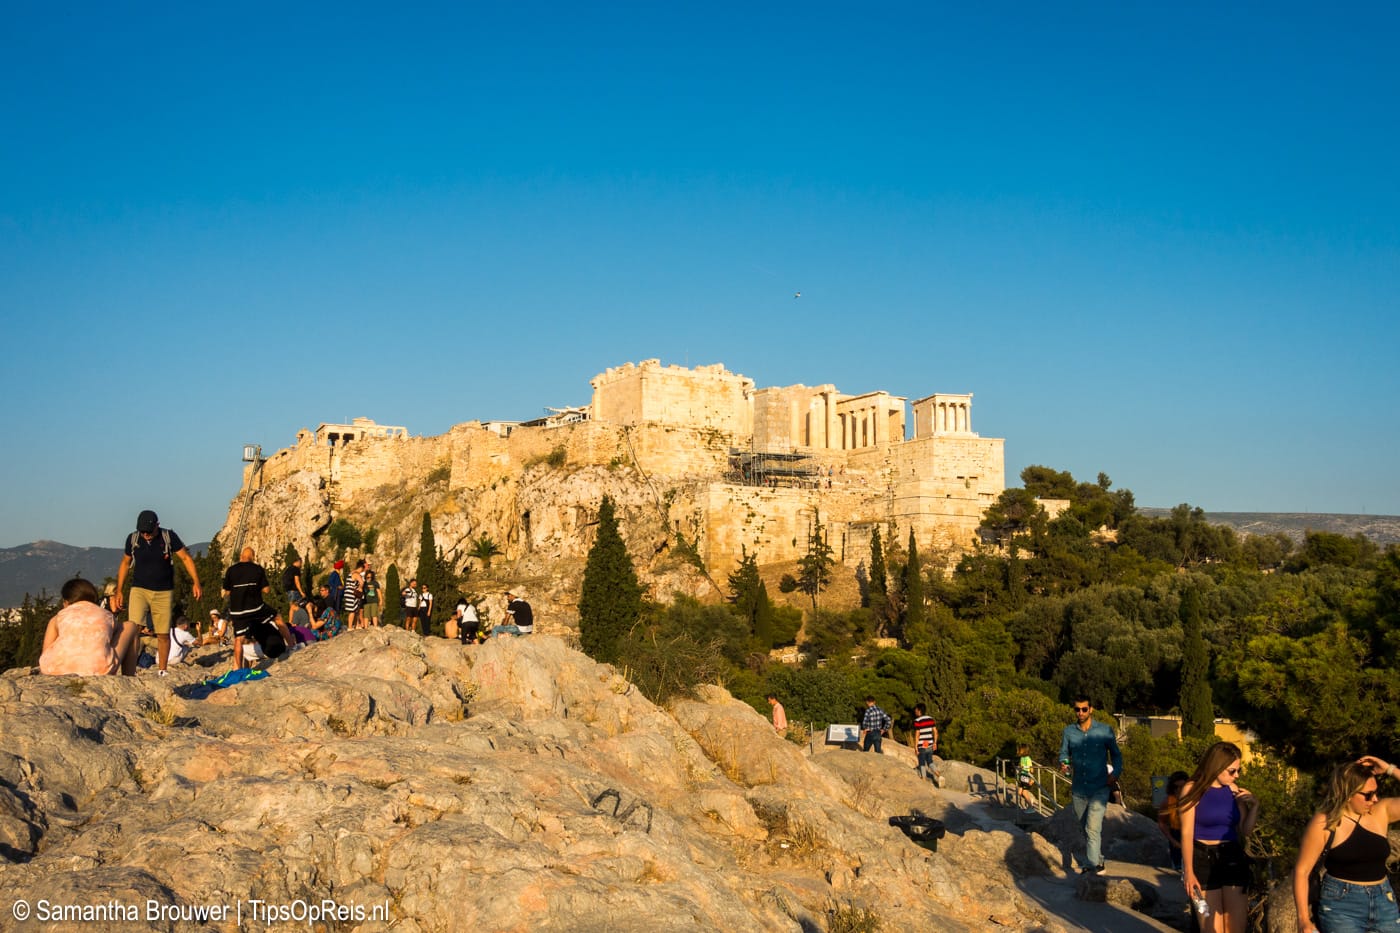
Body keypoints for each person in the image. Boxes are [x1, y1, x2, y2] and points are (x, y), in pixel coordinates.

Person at [1293, 755, 1400, 933]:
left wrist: (1389, 769)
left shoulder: (1381, 811)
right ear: (1348, 793)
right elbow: (1302, 871)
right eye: (1368, 794)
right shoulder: (1325, 822)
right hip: (1341, 906)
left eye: (1376, 792)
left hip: (1384, 902)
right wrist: (1303, 920)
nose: (1374, 799)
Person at [111, 510, 202, 675]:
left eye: (148, 531)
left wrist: (196, 582)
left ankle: (162, 670)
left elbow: (186, 558)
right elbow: (125, 563)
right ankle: (128, 671)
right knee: (133, 629)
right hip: (139, 589)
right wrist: (119, 590)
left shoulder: (168, 537)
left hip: (163, 591)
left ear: (157, 526)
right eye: (142, 531)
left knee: (163, 632)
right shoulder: (133, 539)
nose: (145, 535)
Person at [1180, 742, 1258, 932]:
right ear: (1217, 766)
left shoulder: (1233, 790)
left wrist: (1254, 806)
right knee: (1207, 923)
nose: (1236, 776)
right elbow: (1186, 833)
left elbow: (1245, 830)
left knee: (1236, 927)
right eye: (1232, 771)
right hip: (1200, 862)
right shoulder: (1191, 789)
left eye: (1238, 771)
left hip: (1232, 859)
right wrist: (1189, 872)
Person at [1058, 694, 1123, 874]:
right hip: (1079, 788)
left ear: (1091, 709)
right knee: (1085, 829)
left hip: (1100, 787)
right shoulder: (1068, 732)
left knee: (1092, 827)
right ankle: (1099, 859)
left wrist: (1115, 774)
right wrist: (1064, 763)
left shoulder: (1105, 731)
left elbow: (1116, 755)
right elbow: (1063, 753)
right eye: (1077, 709)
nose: (1080, 712)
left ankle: (1091, 866)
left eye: (1084, 709)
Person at [39, 577, 141, 676]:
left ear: (66, 602)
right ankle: (129, 675)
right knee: (130, 626)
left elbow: (46, 652)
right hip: (97, 670)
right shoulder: (106, 614)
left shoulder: (57, 617)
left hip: (53, 670)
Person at [223, 547, 294, 670]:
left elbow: (227, 592)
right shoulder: (257, 569)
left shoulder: (231, 570)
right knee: (277, 617)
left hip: (237, 611)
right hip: (255, 608)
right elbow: (266, 590)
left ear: (241, 557)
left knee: (239, 639)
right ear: (253, 557)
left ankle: (237, 669)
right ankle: (292, 647)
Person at [1158, 770, 1190, 872]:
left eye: (1182, 787)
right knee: (1178, 868)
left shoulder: (1193, 799)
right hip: (1176, 833)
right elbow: (1162, 822)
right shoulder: (1167, 801)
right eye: (1176, 787)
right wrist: (1172, 840)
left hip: (1191, 833)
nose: (1179, 790)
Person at [912, 704, 939, 782]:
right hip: (930, 744)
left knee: (922, 763)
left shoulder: (917, 721)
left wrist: (916, 747)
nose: (915, 711)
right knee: (930, 762)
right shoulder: (930, 719)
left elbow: (917, 735)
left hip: (921, 745)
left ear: (919, 711)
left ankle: (923, 779)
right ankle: (938, 774)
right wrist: (935, 743)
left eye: (916, 710)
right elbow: (935, 732)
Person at [1017, 744, 1038, 810]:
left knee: (1024, 792)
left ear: (1023, 750)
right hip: (1022, 776)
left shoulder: (1028, 758)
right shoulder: (1022, 758)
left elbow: (1031, 769)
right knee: (1019, 792)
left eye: (1019, 750)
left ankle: (1031, 807)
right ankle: (1029, 800)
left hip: (1027, 777)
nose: (1018, 751)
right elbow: (1021, 767)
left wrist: (1032, 779)